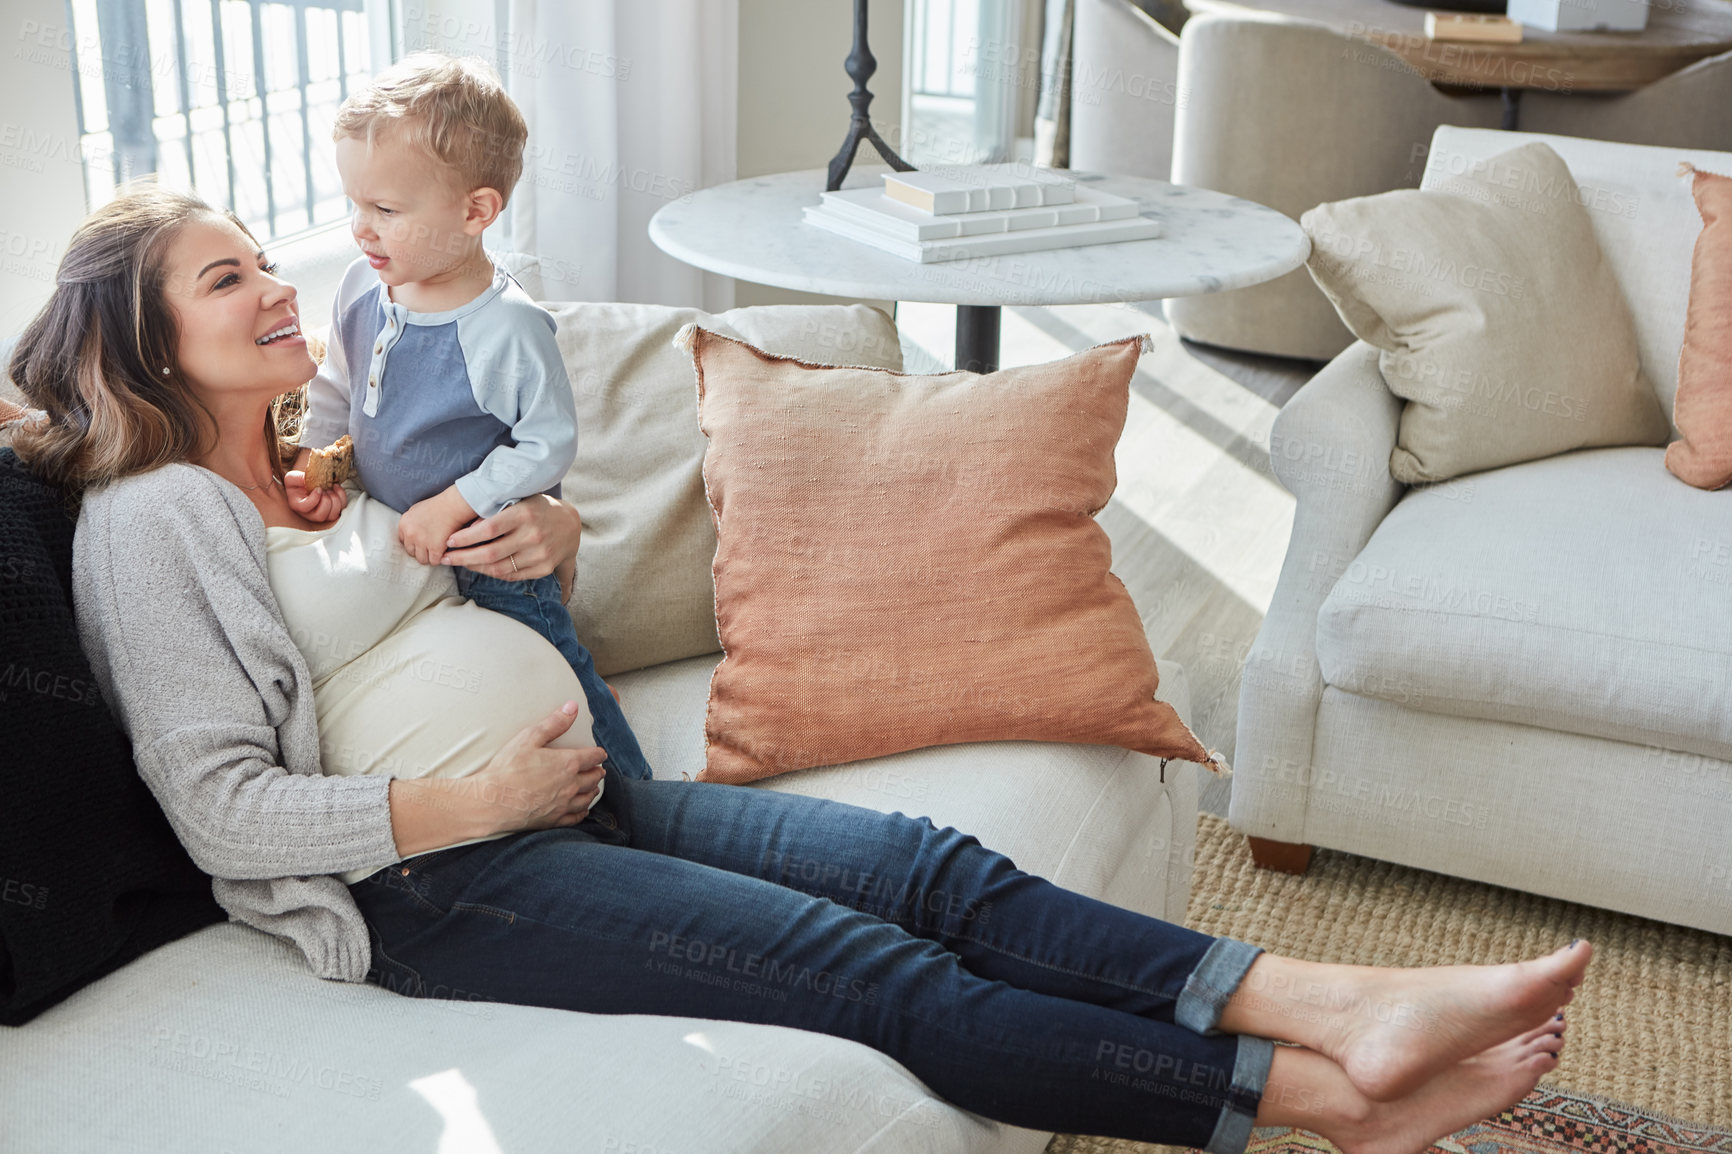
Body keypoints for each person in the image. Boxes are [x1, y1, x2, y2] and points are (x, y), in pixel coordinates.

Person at [10, 185, 1591, 1154]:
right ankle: (1323, 1098)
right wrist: (462, 797)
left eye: (253, 261)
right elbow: (222, 809)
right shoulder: (152, 521)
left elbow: (421, 610)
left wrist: (540, 536)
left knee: (935, 868)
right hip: (440, 880)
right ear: (142, 340)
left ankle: (1344, 1000)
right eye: (225, 281)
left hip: (586, 799)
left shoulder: (310, 459)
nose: (277, 284)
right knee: (876, 977)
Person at [284, 52, 654, 782]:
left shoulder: (508, 328)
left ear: (477, 211)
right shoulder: (364, 282)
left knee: (558, 672)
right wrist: (310, 455)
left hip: (488, 553)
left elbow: (548, 443)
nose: (361, 229)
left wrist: (455, 504)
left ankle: (636, 796)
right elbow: (338, 382)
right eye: (355, 204)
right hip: (396, 545)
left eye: (386, 210)